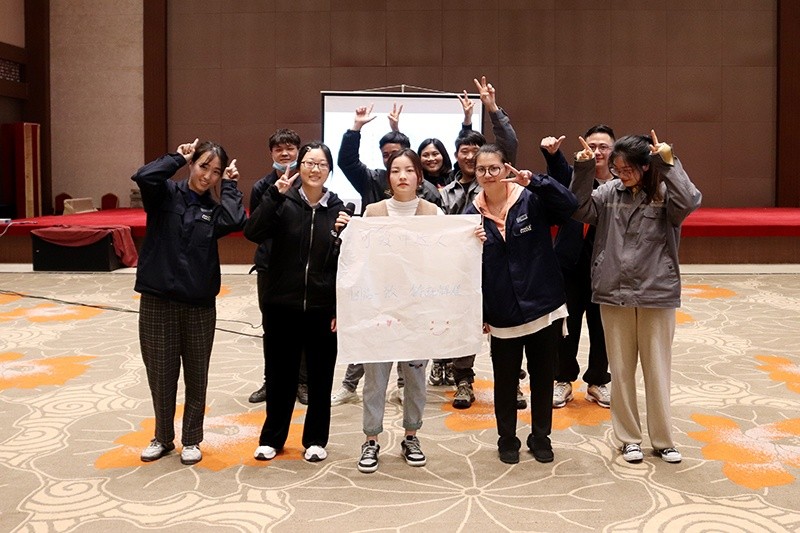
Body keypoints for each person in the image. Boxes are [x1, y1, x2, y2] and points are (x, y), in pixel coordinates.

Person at [570, 131, 701, 464]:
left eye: (628, 168)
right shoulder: (607, 193)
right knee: (621, 369)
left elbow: (690, 201)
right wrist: (583, 170)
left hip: (656, 291)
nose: (621, 174)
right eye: (617, 168)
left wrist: (668, 163)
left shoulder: (665, 192)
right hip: (614, 290)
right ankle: (628, 438)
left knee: (657, 370)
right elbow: (579, 209)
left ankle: (663, 440)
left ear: (645, 166)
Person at [133, 138, 246, 466]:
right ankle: (162, 437)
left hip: (199, 304)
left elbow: (235, 220)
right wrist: (176, 158)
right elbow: (144, 176)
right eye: (203, 166)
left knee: (197, 374)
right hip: (158, 299)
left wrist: (231, 186)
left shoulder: (214, 209)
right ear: (192, 164)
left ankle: (192, 439)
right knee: (161, 373)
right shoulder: (165, 194)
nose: (208, 176)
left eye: (216, 171)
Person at [466, 144, 577, 465]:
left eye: (494, 168)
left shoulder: (530, 198)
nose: (488, 175)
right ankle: (507, 439)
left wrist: (537, 181)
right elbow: (467, 270)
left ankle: (541, 437)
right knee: (505, 382)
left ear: (506, 168)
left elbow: (569, 206)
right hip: (502, 312)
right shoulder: (470, 215)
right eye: (481, 169)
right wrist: (480, 313)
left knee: (543, 378)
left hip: (543, 306)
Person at [244, 141, 347, 463]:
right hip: (281, 305)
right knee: (280, 377)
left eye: (322, 164)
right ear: (299, 167)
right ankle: (271, 439)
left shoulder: (339, 210)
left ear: (329, 170)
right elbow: (252, 232)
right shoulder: (282, 201)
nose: (315, 169)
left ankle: (315, 439)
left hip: (322, 308)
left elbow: (345, 266)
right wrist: (274, 196)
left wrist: (339, 307)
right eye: (309, 163)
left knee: (320, 378)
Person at [332, 104, 440, 407]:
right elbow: (346, 161)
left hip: (415, 283)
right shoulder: (372, 180)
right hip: (378, 281)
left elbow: (443, 240)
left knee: (409, 339)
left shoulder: (430, 197)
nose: (400, 173)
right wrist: (355, 128)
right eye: (388, 158)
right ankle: (349, 385)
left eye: (405, 165)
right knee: (371, 338)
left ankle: (404, 387)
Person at [350, 149, 445, 473]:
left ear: (419, 176)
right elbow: (360, 262)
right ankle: (371, 439)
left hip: (417, 310)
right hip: (379, 308)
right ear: (387, 177)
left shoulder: (433, 213)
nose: (402, 176)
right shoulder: (373, 212)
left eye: (409, 170)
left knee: (415, 379)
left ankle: (411, 436)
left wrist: (471, 238)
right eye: (395, 170)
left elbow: (445, 258)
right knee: (375, 379)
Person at [440, 77, 526, 411]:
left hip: (498, 264)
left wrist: (491, 108)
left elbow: (508, 142)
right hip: (462, 270)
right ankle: (463, 381)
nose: (472, 159)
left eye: (478, 155)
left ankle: (512, 382)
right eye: (465, 153)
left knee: (508, 326)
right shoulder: (446, 190)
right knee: (465, 325)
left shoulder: (494, 180)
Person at [540, 126, 615, 409]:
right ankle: (563, 380)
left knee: (602, 328)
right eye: (591, 146)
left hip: (606, 267)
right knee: (565, 328)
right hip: (569, 265)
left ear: (613, 151)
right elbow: (560, 175)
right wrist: (553, 154)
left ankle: (598, 381)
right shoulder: (576, 176)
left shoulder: (620, 184)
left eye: (603, 147)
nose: (597, 151)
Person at [247, 129, 311, 406]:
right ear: (271, 153)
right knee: (272, 328)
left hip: (301, 266)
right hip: (270, 266)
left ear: (298, 151)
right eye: (278, 149)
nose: (285, 153)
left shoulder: (309, 183)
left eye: (290, 148)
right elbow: (256, 227)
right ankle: (271, 381)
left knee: (304, 327)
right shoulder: (261, 186)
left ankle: (302, 382)